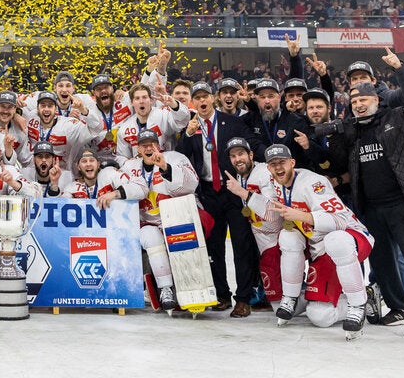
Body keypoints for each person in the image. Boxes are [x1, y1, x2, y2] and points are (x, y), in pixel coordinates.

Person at [327, 70, 404, 338]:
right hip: (372, 208)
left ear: (376, 98)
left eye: (363, 99)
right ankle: (398, 307)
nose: (359, 105)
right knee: (382, 262)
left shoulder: (402, 117)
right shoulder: (354, 131)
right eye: (354, 102)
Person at [263, 144, 373, 341]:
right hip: (319, 249)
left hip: (348, 239)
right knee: (287, 235)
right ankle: (292, 297)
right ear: (268, 168)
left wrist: (299, 215)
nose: (278, 167)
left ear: (292, 163)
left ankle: (360, 303)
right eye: (273, 164)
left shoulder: (314, 183)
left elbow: (339, 220)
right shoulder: (275, 183)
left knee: (320, 316)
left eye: (282, 162)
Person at [178, 82, 258, 316]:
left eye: (205, 96)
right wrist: (188, 134)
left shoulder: (232, 122)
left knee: (241, 245)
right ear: (193, 102)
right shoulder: (190, 125)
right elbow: (182, 158)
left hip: (232, 190)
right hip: (208, 192)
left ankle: (243, 298)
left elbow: (248, 149)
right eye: (197, 98)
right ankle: (221, 294)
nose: (202, 101)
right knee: (214, 246)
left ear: (213, 98)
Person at [106, 129, 197, 311]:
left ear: (159, 145)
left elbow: (192, 184)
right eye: (144, 145)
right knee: (150, 237)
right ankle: (165, 289)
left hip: (176, 217)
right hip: (147, 222)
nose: (148, 148)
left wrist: (165, 167)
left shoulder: (175, 158)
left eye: (152, 144)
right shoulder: (129, 167)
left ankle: (192, 286)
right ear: (138, 149)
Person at [223, 137, 282, 308]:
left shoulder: (264, 172)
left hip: (277, 233)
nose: (237, 159)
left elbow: (273, 211)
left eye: (241, 154)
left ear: (251, 155)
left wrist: (242, 193)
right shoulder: (240, 175)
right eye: (233, 156)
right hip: (260, 232)